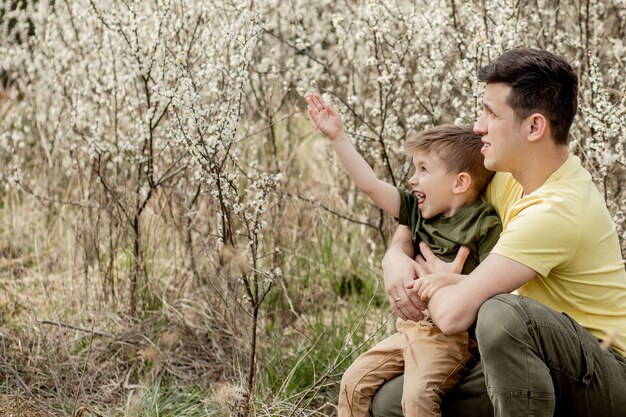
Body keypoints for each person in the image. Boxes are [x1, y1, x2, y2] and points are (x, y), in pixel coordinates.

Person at [371, 48, 626, 417]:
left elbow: (454, 316)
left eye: (491, 113)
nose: (477, 126)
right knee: (391, 403)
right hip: (531, 359)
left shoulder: (555, 211)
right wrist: (395, 253)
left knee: (500, 314)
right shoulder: (506, 176)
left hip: (606, 375)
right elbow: (428, 205)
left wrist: (438, 282)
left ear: (534, 127)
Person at [306, 93, 502, 417]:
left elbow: (494, 285)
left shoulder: (483, 225)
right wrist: (338, 137)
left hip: (449, 340)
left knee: (418, 399)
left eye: (423, 170)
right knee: (352, 383)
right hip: (408, 331)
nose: (412, 179)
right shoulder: (416, 209)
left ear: (460, 182)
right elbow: (370, 185)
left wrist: (447, 279)